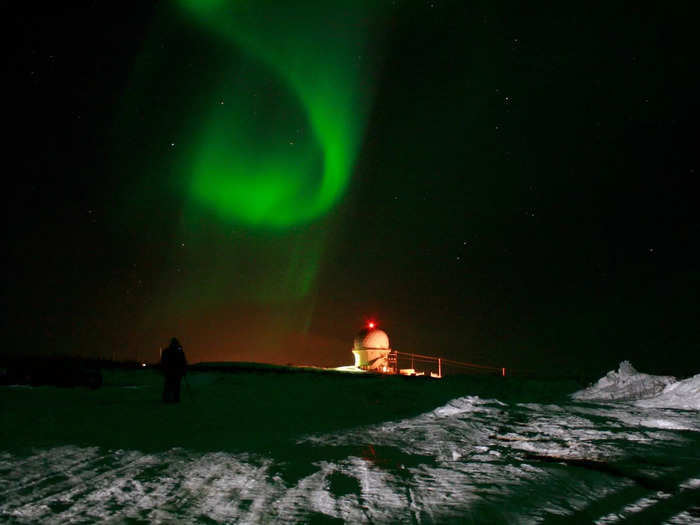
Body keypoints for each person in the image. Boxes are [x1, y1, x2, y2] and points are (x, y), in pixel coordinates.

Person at [160, 337, 187, 403]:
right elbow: (164, 362)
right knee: (172, 386)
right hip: (172, 372)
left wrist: (183, 370)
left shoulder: (177, 351)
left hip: (175, 372)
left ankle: (173, 398)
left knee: (174, 386)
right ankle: (170, 399)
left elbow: (183, 361)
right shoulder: (171, 351)